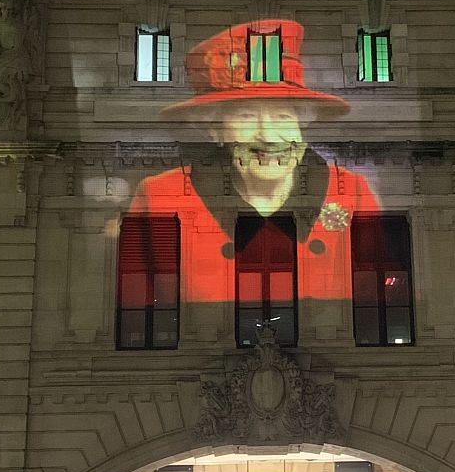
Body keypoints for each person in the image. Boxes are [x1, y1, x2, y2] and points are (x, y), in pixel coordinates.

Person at [125, 20, 380, 338]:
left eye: (283, 117)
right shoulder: (159, 195)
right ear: (214, 130)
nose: (269, 135)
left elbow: (375, 287)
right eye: (246, 116)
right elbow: (141, 294)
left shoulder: (353, 192)